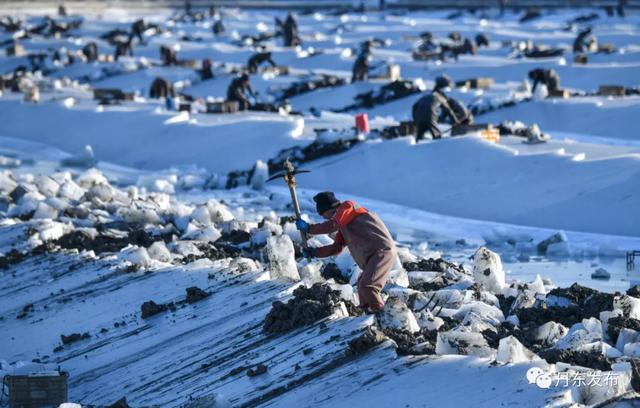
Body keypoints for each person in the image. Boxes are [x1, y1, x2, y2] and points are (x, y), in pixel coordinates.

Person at [296, 192, 397, 313]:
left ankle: (381, 316)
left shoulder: (348, 206)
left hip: (381, 252)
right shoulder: (344, 227)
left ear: (333, 209)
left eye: (327, 215)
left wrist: (309, 228)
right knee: (361, 286)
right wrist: (314, 252)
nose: (328, 219)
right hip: (372, 257)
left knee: (368, 286)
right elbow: (336, 248)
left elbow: (333, 225)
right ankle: (368, 314)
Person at [412, 75, 459, 140]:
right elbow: (449, 110)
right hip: (430, 114)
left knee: (419, 135)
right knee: (436, 134)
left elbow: (414, 106)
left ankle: (416, 148)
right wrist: (455, 122)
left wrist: (415, 119)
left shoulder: (425, 97)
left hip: (419, 115)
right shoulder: (440, 98)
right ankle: (438, 147)